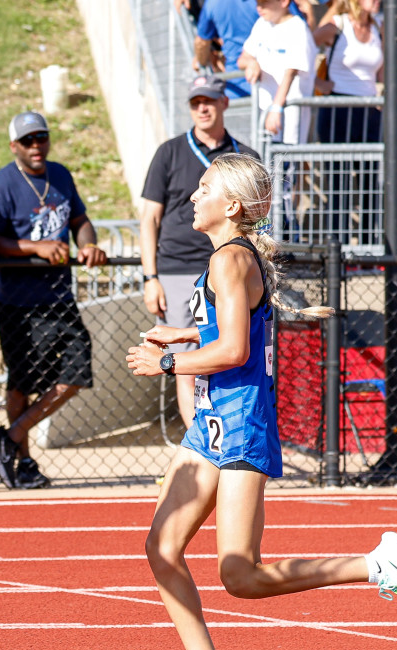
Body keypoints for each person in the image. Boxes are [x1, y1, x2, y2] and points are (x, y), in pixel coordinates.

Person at [126, 153, 397, 650]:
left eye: (204, 188)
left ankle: (376, 565)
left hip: (239, 426)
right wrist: (185, 334)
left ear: (232, 206)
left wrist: (167, 365)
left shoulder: (230, 260)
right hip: (214, 427)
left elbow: (236, 349)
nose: (193, 196)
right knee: (162, 547)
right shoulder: (226, 258)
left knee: (240, 574)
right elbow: (227, 329)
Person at [0, 111, 107, 490]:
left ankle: (11, 435)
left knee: (77, 368)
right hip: (17, 300)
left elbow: (80, 220)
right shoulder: (0, 186)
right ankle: (24, 462)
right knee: (22, 382)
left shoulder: (61, 174)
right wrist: (36, 247)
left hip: (58, 295)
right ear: (14, 146)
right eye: (28, 140)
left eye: (42, 138)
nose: (37, 146)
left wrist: (89, 244)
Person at [140, 76, 259, 431]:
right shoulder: (171, 151)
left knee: (230, 347)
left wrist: (163, 362)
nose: (202, 108)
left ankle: (211, 443)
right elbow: (149, 217)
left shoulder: (243, 157)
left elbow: (234, 350)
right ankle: (199, 437)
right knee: (197, 352)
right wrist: (150, 278)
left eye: (209, 100)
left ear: (224, 102)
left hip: (227, 260)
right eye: (195, 102)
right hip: (179, 267)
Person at [239, 0, 317, 144]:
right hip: (264, 111)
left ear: (283, 2)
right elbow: (243, 58)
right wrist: (251, 63)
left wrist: (276, 108)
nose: (259, 8)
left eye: (264, 3)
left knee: (287, 161)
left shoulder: (297, 28)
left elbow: (291, 72)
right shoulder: (261, 24)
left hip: (289, 115)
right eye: (257, 3)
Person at [195, 0, 307, 97]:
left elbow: (201, 43)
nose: (260, 7)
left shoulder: (212, 3)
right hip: (267, 89)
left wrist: (202, 62)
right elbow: (302, 30)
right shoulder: (269, 12)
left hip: (254, 88)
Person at [314, 0, 383, 143]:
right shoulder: (337, 25)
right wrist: (318, 83)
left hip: (369, 108)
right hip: (337, 109)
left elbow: (384, 74)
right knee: (338, 164)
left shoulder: (379, 26)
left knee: (369, 164)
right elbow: (303, 50)